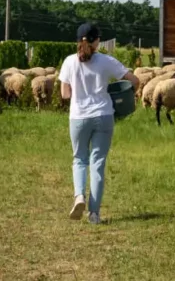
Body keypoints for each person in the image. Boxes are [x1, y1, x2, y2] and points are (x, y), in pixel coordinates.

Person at [58, 22, 140, 225]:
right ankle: (94, 214)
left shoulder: (69, 62)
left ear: (78, 41)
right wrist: (127, 97)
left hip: (78, 117)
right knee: (98, 164)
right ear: (97, 41)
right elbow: (135, 81)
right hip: (103, 116)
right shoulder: (106, 61)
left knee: (79, 159)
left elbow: (65, 94)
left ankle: (79, 196)